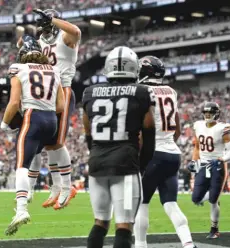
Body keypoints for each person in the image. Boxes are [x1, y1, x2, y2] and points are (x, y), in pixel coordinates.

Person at [82, 46, 156, 248]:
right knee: (124, 226)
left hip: (97, 164)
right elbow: (149, 134)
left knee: (100, 222)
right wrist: (141, 165)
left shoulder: (89, 92)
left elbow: (88, 133)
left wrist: (97, 154)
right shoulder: (141, 92)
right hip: (125, 165)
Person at [1, 35, 65, 235]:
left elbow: (13, 103)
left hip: (33, 117)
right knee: (36, 153)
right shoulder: (54, 70)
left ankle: (21, 209)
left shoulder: (18, 68)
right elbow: (61, 105)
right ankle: (28, 190)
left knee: (21, 164)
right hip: (52, 121)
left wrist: (4, 123)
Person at [134, 56, 197, 248]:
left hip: (152, 154)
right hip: (172, 153)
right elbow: (177, 129)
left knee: (141, 204)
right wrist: (166, 143)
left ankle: (140, 244)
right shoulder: (171, 92)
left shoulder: (140, 91)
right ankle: (188, 243)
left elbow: (141, 130)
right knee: (170, 203)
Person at [22, 8, 81, 210]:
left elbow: (76, 32)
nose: (44, 29)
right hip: (48, 91)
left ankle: (67, 187)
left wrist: (54, 20)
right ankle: (56, 187)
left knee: (57, 143)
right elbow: (22, 46)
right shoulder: (41, 40)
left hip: (63, 90)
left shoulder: (65, 36)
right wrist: (25, 41)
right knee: (48, 144)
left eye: (46, 25)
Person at [188, 102, 230, 239]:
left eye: (210, 113)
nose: (207, 115)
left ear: (216, 113)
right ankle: (214, 195)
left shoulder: (222, 128)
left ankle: (214, 229)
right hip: (203, 165)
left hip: (218, 165)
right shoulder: (198, 125)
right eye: (205, 113)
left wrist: (222, 159)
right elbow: (197, 146)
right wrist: (194, 161)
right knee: (196, 198)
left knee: (213, 200)